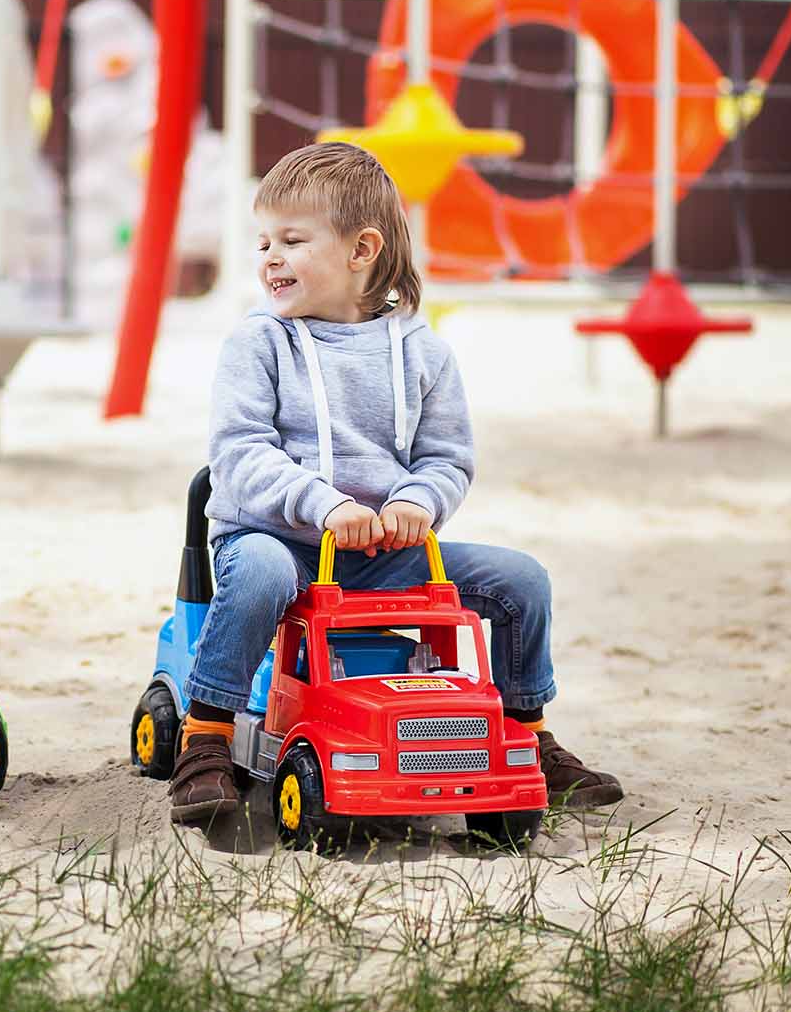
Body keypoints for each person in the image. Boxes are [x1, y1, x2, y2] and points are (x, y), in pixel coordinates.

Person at [169, 141, 625, 826]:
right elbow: (240, 452)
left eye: (292, 240)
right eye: (264, 242)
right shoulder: (258, 343)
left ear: (361, 250)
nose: (270, 258)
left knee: (522, 579)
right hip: (279, 540)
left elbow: (447, 458)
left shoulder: (422, 352)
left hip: (386, 553)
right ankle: (205, 734)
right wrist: (323, 505)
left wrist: (417, 501)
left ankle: (526, 733)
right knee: (260, 572)